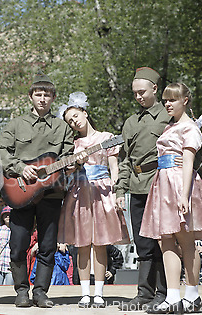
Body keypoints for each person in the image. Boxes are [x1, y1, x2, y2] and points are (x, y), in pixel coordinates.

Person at [140, 82, 202, 314]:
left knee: (185, 240)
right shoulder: (169, 127)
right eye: (165, 99)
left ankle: (192, 294)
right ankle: (172, 296)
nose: (167, 103)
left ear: (185, 100)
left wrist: (184, 195)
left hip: (179, 184)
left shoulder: (190, 128)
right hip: (162, 184)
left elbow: (188, 163)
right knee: (165, 239)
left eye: (172, 99)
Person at [0, 71, 74, 308]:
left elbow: (68, 155)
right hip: (20, 191)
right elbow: (2, 151)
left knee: (48, 245)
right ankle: (21, 290)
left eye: (47, 95)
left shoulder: (62, 128)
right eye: (38, 94)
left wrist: (71, 164)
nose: (42, 99)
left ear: (53, 99)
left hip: (52, 193)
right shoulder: (15, 124)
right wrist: (21, 168)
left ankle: (41, 292)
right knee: (18, 244)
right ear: (30, 96)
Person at [57, 91, 129, 308]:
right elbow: (67, 173)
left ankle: (99, 292)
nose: (74, 122)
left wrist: (118, 192)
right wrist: (74, 165)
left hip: (102, 192)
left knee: (100, 244)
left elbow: (114, 168)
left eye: (75, 116)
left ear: (85, 113)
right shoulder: (72, 144)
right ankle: (84, 292)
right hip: (79, 193)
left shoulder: (106, 138)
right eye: (70, 121)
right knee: (82, 245)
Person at [114, 67, 170, 311]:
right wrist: (119, 190)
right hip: (137, 188)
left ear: (155, 89)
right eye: (135, 93)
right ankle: (144, 293)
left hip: (161, 185)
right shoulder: (131, 122)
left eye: (142, 92)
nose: (138, 97)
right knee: (142, 242)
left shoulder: (169, 117)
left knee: (162, 241)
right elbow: (125, 159)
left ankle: (165, 292)